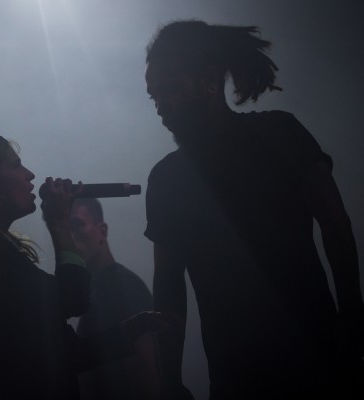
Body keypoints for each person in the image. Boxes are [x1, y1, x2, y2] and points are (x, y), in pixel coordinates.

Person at [143, 20, 364, 399]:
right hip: (239, 376)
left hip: (317, 360)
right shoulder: (166, 178)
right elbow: (168, 287)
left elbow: (337, 227)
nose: (161, 108)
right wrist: (167, 381)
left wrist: (354, 325)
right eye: (155, 97)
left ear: (211, 80)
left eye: (170, 90)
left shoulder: (280, 132)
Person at [0, 131, 169, 400]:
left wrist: (129, 331)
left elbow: (62, 354)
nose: (30, 174)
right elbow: (73, 299)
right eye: (16, 165)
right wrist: (58, 223)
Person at [70, 198, 156, 399]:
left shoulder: (119, 287)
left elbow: (146, 376)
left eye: (78, 225)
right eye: (67, 230)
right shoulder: (101, 290)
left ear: (102, 231)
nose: (71, 237)